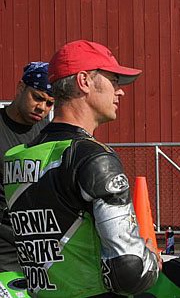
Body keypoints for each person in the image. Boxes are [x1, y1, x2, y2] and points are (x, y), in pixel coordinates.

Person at [3, 40, 161, 297]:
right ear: (84, 81)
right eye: (113, 80)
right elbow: (128, 272)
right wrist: (152, 259)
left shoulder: (17, 156)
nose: (119, 91)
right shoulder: (93, 157)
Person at [0, 61, 54, 272]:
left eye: (49, 103)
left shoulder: (47, 133)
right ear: (21, 88)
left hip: (37, 243)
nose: (41, 107)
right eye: (37, 97)